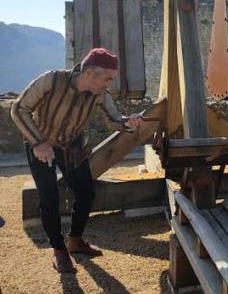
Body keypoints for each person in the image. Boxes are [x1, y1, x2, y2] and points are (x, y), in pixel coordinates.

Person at [11, 48, 144, 274]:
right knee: (49, 198)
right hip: (41, 145)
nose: (109, 83)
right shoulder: (51, 80)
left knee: (85, 192)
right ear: (90, 73)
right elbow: (19, 108)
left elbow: (114, 120)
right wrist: (38, 142)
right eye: (108, 78)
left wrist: (128, 122)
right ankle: (59, 250)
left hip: (72, 147)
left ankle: (75, 240)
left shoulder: (100, 93)